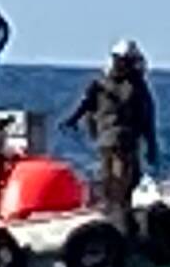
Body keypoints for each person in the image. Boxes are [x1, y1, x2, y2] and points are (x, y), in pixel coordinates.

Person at [69, 41, 160, 220]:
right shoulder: (136, 87)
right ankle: (119, 216)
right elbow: (147, 118)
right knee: (123, 181)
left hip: (106, 140)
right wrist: (151, 145)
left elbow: (86, 107)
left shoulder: (100, 84)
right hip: (124, 141)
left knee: (111, 179)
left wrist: (75, 121)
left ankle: (110, 211)